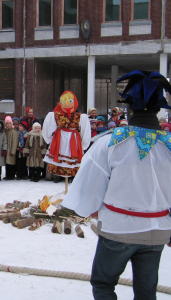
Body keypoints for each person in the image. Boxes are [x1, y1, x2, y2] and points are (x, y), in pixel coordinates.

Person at [63, 70, 171, 300]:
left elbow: (89, 187)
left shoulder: (110, 142)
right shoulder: (169, 146)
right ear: (158, 109)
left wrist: (86, 207)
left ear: (129, 108)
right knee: (146, 291)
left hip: (119, 231)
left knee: (103, 284)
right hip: (159, 231)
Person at [42, 91, 91, 178]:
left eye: (70, 101)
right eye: (64, 102)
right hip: (60, 140)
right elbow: (47, 129)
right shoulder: (55, 116)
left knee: (72, 159)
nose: (67, 104)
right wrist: (50, 140)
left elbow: (86, 132)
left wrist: (83, 145)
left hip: (72, 140)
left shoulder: (81, 117)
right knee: (60, 159)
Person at [4, 116, 18, 180]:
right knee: (7, 163)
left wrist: (13, 151)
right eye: (7, 123)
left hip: (11, 149)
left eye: (9, 123)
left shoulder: (13, 131)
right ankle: (7, 175)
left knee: (11, 163)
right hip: (7, 149)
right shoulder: (6, 131)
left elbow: (14, 142)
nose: (8, 125)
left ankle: (11, 175)